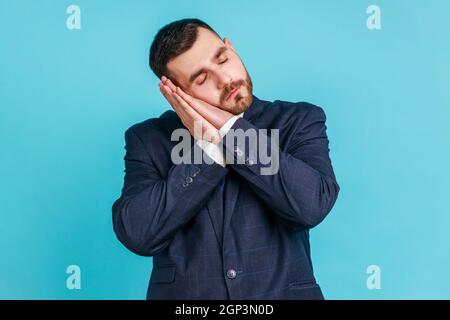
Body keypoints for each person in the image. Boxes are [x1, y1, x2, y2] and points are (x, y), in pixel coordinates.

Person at [112, 18, 340, 300]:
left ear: (231, 48)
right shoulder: (148, 140)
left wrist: (229, 130)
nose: (225, 79)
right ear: (177, 93)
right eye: (202, 78)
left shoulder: (298, 120)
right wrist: (209, 149)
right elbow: (139, 233)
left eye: (222, 59)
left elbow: (311, 205)